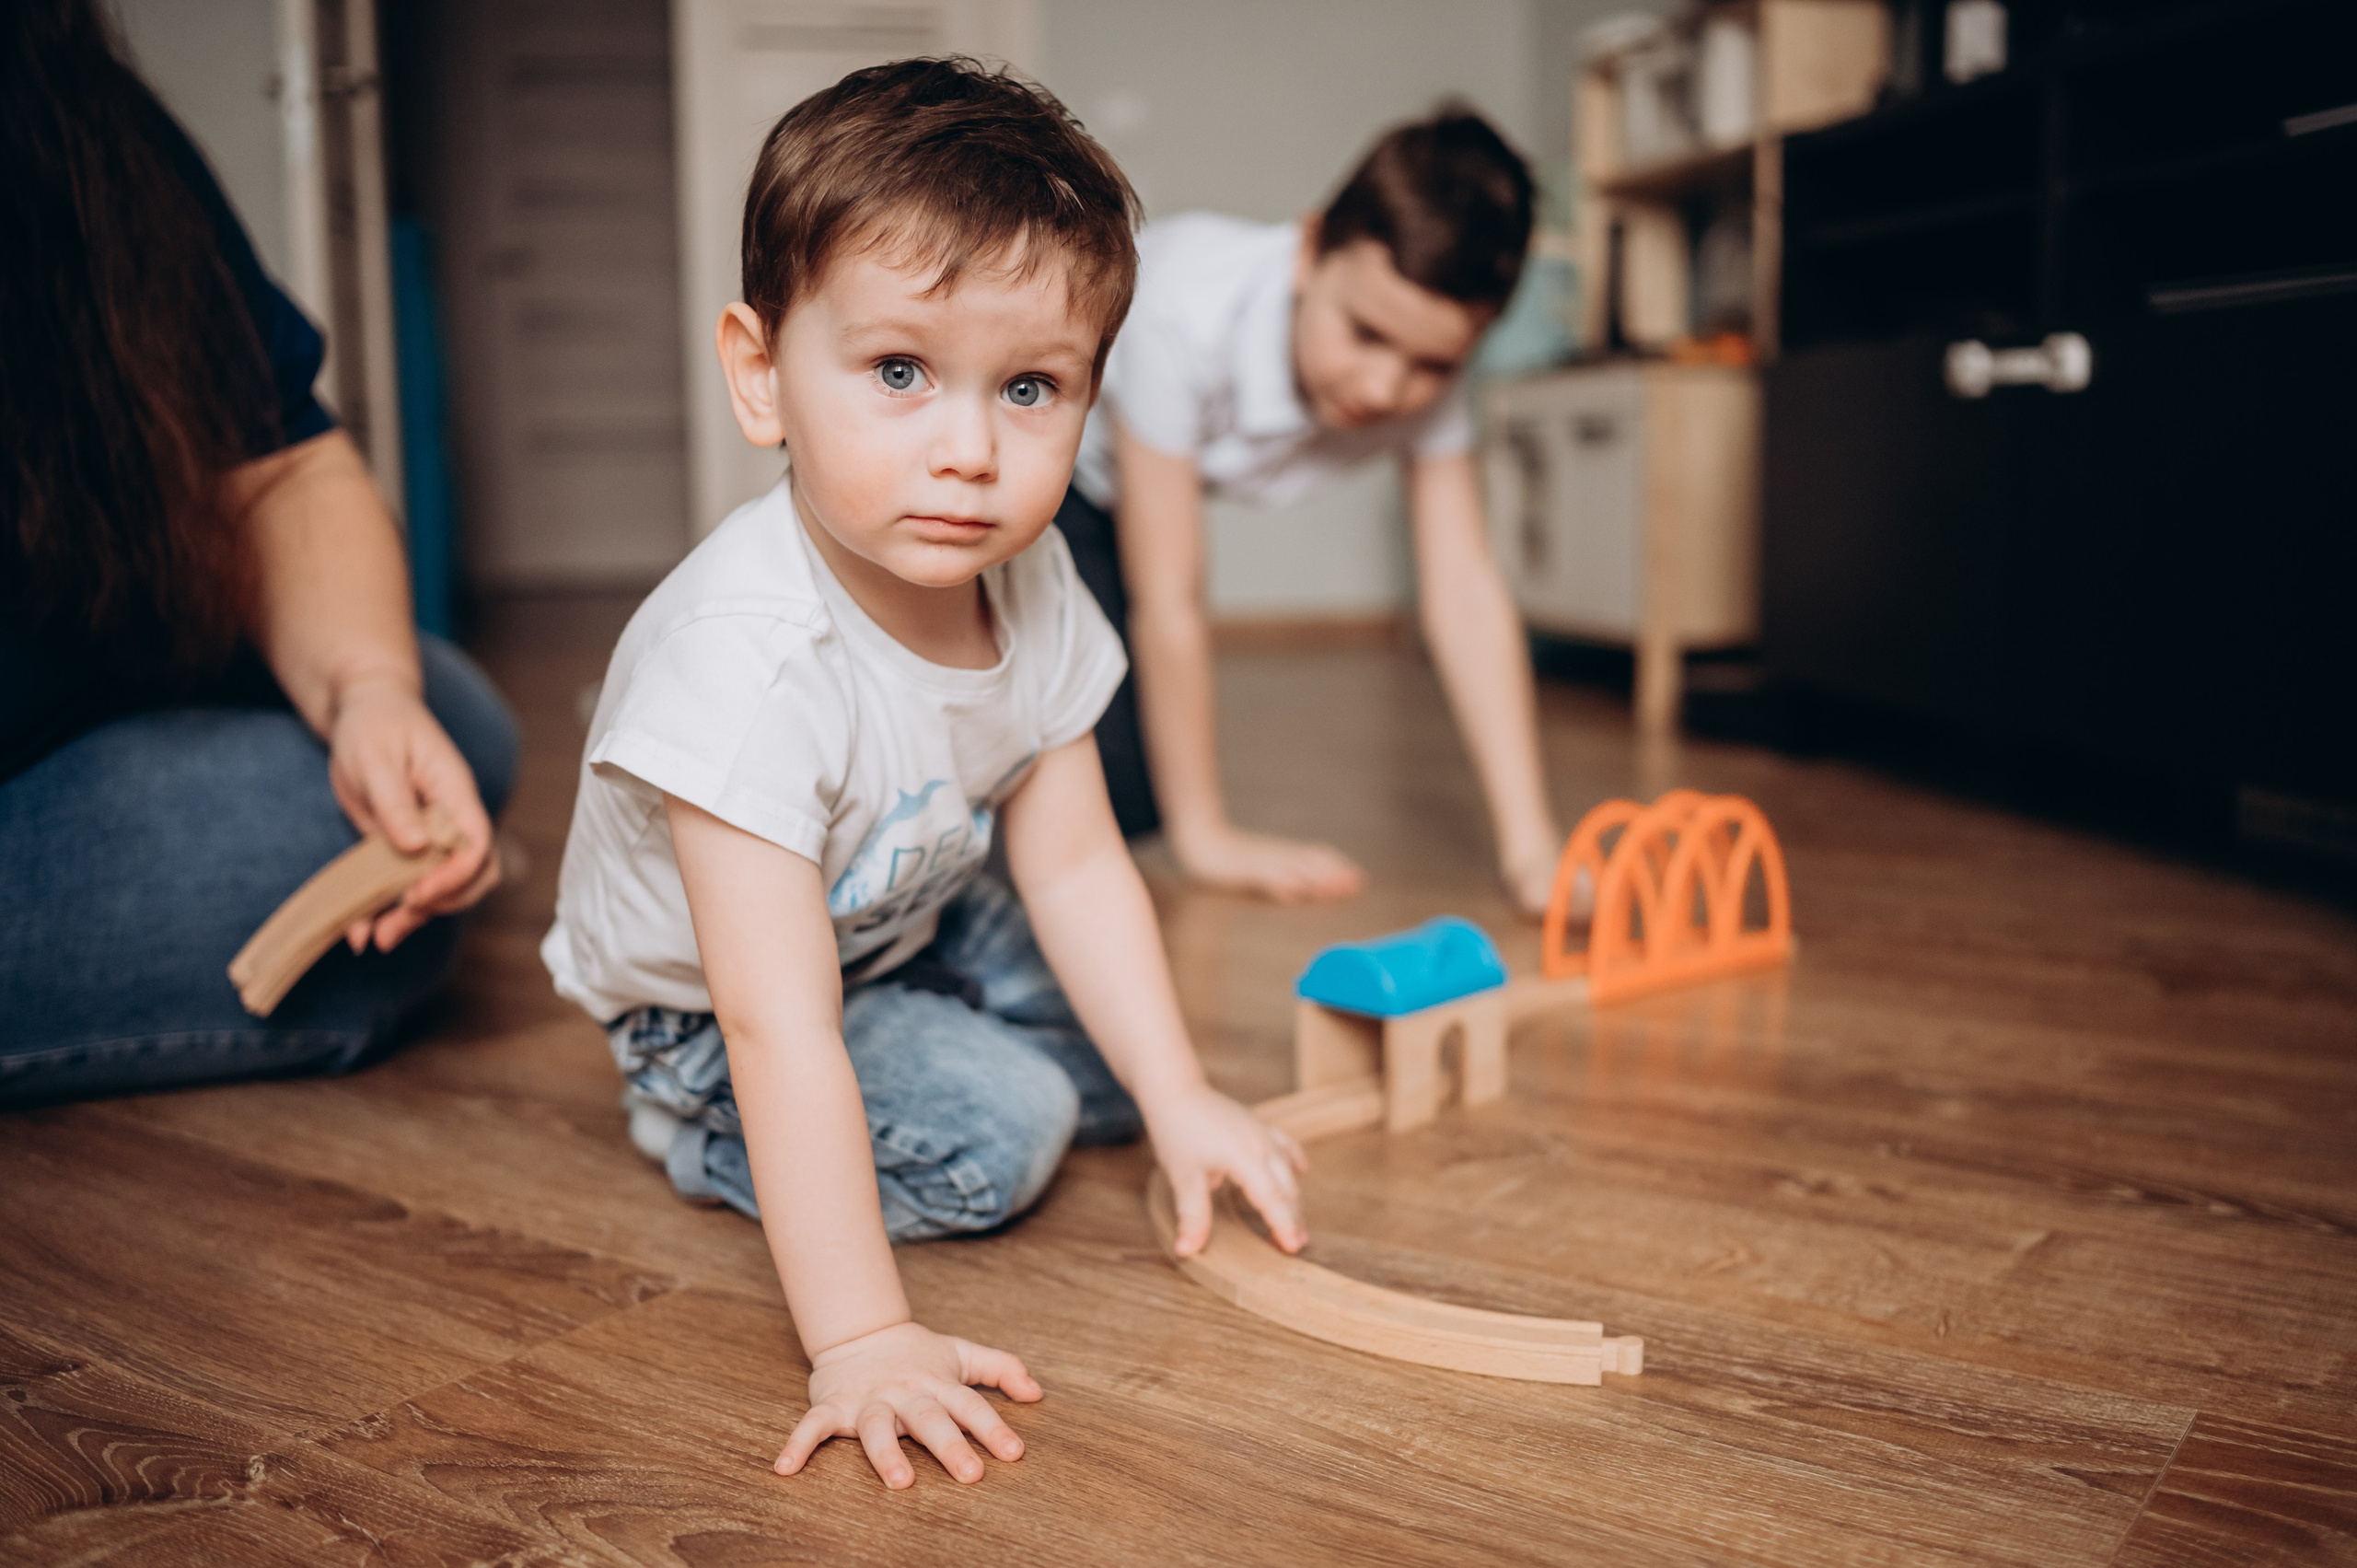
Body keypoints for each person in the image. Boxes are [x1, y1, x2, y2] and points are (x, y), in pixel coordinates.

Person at [540, 58, 1306, 1492]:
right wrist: (863, 1334)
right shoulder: (745, 664)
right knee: (1008, 1134)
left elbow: (1075, 857)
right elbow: (780, 1026)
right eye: (901, 371)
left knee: (1136, 1078)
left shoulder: (1038, 575)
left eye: (1030, 387)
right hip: (717, 1007)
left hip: (907, 906)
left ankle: (1007, 1037)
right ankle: (689, 1133)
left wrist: (1184, 1086)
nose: (969, 451)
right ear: (763, 373)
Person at [0, 0, 515, 1106]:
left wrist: (370, 690)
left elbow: (278, 463)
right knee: (380, 903)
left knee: (450, 725)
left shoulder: (79, 125)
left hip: (84, 697)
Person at [1059, 108, 1564, 912]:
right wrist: (1206, 836)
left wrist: (1533, 849)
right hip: (1056, 482)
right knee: (1099, 773)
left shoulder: (1420, 368)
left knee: (1130, 794)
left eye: (1432, 365)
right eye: (1364, 333)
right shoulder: (1178, 312)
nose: (1384, 389)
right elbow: (1172, 597)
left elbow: (1465, 595)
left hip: (1125, 500)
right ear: (1307, 250)